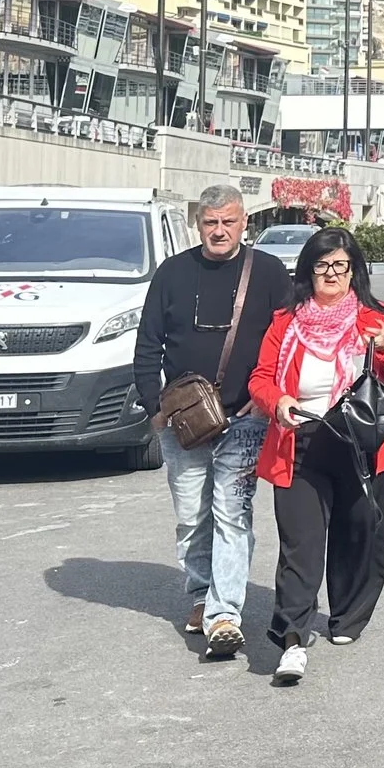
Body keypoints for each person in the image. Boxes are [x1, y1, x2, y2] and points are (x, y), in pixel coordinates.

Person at [132, 184, 295, 659]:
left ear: (245, 223)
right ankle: (203, 594)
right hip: (184, 421)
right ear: (198, 224)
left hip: (245, 420)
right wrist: (155, 406)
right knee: (191, 517)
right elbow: (148, 344)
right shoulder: (172, 273)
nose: (219, 230)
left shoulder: (267, 272)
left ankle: (224, 614)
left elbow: (288, 341)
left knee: (231, 513)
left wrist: (266, 400)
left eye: (228, 221)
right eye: (210, 222)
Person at [249, 227, 384, 684]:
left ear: (354, 271)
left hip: (360, 445)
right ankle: (293, 640)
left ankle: (347, 616)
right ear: (308, 271)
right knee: (300, 545)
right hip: (300, 443)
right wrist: (277, 401)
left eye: (341, 265)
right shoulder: (286, 321)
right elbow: (261, 378)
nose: (332, 274)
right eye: (322, 265)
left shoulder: (372, 318)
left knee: (359, 533)